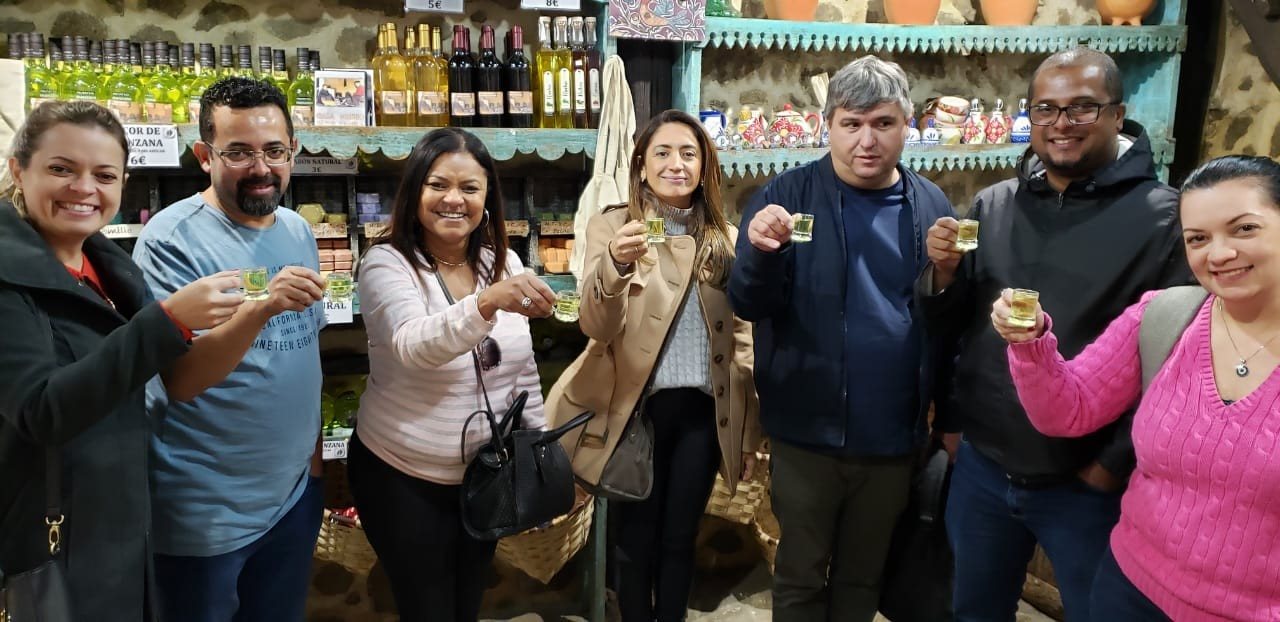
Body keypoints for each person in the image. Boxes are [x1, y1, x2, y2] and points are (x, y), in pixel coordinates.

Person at [920, 47, 1190, 622]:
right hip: (986, 469)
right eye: (1046, 109)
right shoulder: (994, 205)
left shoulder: (1166, 220)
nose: (1061, 124)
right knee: (974, 609)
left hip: (1086, 484)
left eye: (1082, 108)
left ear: (1119, 115)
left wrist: (1110, 465)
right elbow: (954, 324)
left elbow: (1175, 363)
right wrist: (941, 275)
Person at [993, 154, 1280, 622]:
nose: (1219, 253)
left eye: (1244, 229)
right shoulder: (1167, 317)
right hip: (1130, 591)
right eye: (1198, 239)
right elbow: (1068, 410)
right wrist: (1030, 343)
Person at [727, 56, 954, 622]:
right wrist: (756, 251)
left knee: (862, 581)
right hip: (807, 431)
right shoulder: (788, 194)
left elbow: (945, 320)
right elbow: (749, 303)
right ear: (827, 125)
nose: (866, 140)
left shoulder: (930, 204)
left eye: (882, 123)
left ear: (908, 126)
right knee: (800, 576)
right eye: (851, 124)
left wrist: (949, 279)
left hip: (893, 435)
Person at [0, 101, 242, 619]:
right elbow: (43, 409)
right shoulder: (7, 279)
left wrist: (256, 313)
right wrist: (170, 320)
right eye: (61, 169)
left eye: (103, 175)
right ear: (19, 170)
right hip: (53, 540)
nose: (84, 188)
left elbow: (170, 375)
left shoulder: (106, 264)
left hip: (119, 527)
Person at [548, 109, 761, 622]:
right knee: (634, 539)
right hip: (633, 410)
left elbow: (741, 338)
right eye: (662, 153)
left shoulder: (724, 235)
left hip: (703, 414)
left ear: (704, 167)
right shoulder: (614, 225)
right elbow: (596, 327)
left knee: (680, 537)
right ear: (641, 164)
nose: (676, 164)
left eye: (689, 154)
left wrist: (749, 432)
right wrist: (615, 266)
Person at [132, 77, 328, 620]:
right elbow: (182, 380)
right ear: (204, 155)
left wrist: (311, 469)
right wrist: (261, 305)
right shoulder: (171, 239)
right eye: (238, 152)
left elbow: (302, 352)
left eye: (274, 151)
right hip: (204, 512)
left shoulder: (297, 230)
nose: (261, 168)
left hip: (292, 499)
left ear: (294, 151)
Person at [347, 127, 554, 622]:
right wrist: (485, 302)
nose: (453, 200)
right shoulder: (385, 264)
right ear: (415, 190)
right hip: (403, 478)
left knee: (466, 604)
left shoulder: (498, 262)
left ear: (488, 197)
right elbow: (413, 345)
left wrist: (540, 452)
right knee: (427, 609)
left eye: (470, 188)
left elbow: (521, 366)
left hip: (482, 477)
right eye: (438, 185)